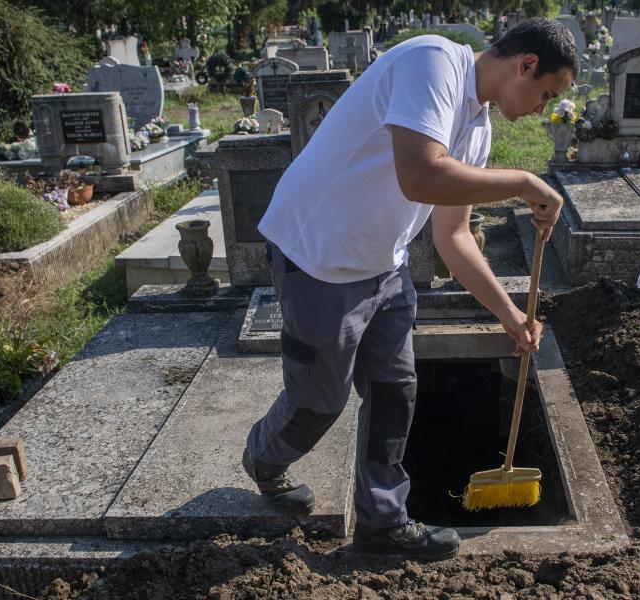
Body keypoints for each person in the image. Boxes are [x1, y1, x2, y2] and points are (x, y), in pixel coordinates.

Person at [243, 18, 577, 560]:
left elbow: (452, 235)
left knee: (396, 389)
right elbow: (419, 177)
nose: (544, 107)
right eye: (547, 93)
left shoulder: (478, 127)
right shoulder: (433, 62)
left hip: (383, 265)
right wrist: (521, 182)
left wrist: (509, 315)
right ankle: (264, 455)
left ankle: (382, 522)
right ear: (526, 65)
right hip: (319, 257)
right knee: (319, 399)